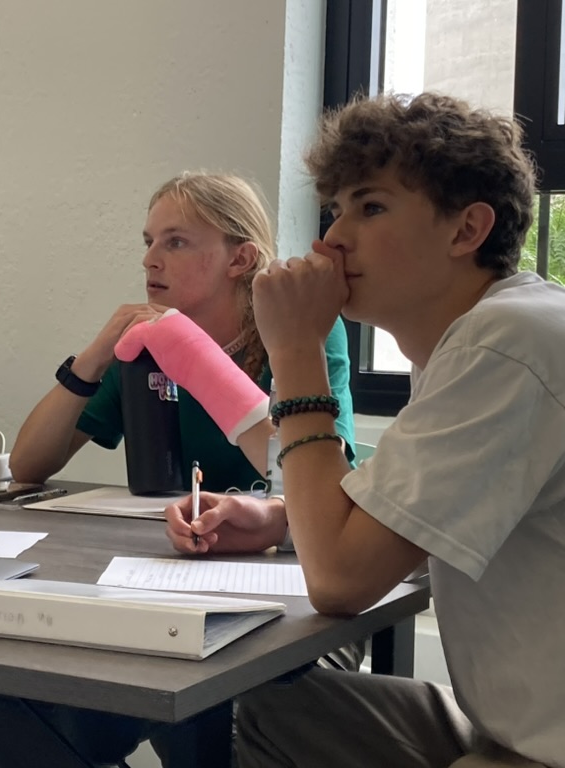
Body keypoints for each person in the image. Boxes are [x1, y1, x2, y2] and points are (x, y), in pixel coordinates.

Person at [0, 172, 358, 768]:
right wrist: (96, 354)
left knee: (197, 700)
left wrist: (203, 369)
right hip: (165, 582)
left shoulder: (303, 337)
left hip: (294, 600)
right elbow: (29, 464)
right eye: (148, 241)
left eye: (174, 241)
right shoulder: (145, 348)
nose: (149, 258)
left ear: (238, 257)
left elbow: (314, 479)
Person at [226, 92, 565, 767]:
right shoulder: (472, 339)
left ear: (467, 230)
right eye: (336, 210)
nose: (332, 240)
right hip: (511, 726)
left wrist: (297, 352)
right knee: (269, 707)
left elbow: (342, 579)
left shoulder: (505, 344)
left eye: (371, 206)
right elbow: (397, 522)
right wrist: (288, 518)